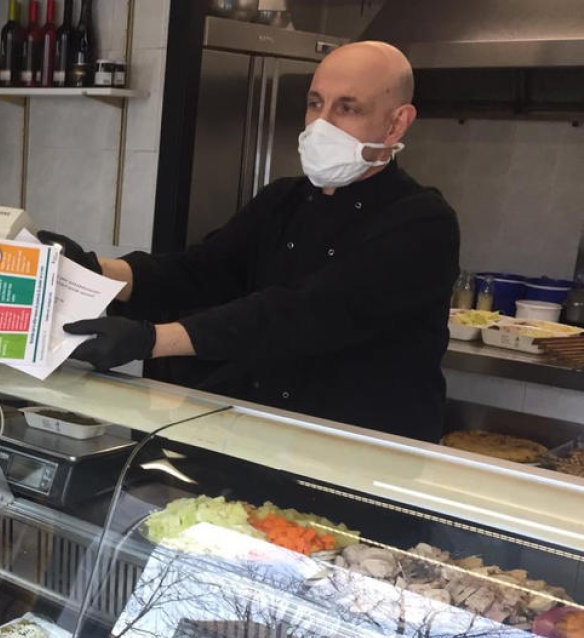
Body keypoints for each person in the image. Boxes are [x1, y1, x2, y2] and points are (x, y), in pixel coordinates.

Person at [41, 41, 459, 442]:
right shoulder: (283, 199)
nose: (321, 123)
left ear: (396, 122)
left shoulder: (422, 221)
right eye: (315, 103)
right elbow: (203, 270)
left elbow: (303, 314)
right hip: (262, 439)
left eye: (347, 108)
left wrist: (151, 340)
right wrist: (98, 269)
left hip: (361, 457)